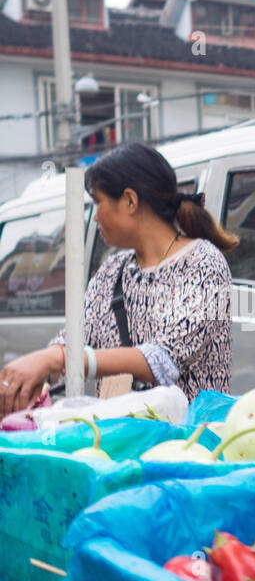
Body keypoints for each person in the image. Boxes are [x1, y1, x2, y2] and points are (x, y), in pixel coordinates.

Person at [0, 142, 238, 416]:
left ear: (129, 200)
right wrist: (42, 373)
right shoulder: (112, 270)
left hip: (189, 446)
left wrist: (57, 358)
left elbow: (163, 359)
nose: (95, 215)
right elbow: (77, 338)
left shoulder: (204, 264)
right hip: (124, 445)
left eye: (98, 202)